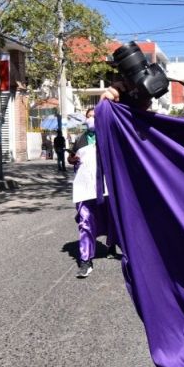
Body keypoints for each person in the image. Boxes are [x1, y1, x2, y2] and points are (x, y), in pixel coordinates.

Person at [68, 108, 117, 278]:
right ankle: (85, 260)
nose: (90, 120)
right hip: (86, 186)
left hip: (106, 185)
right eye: (88, 117)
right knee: (85, 220)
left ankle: (112, 246)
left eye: (94, 117)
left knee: (112, 216)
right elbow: (71, 157)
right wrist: (73, 160)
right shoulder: (81, 138)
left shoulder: (110, 135)